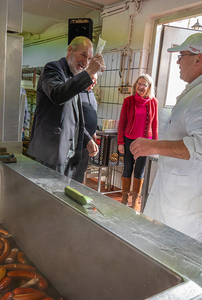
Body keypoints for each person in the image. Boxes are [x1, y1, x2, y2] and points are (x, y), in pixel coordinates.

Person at [130, 32, 202, 249]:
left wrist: (152, 145)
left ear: (198, 59)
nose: (177, 62)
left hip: (194, 215)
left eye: (181, 56)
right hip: (188, 205)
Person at [27, 36, 105, 178]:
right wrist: (89, 72)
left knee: (60, 196)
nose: (86, 62)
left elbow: (75, 117)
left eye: (89, 59)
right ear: (70, 50)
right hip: (49, 152)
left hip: (67, 153)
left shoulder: (73, 76)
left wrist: (87, 139)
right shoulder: (53, 69)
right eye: (83, 55)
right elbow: (58, 95)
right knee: (47, 196)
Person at [117, 74, 158, 210]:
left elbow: (155, 125)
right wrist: (121, 142)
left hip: (145, 143)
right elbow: (122, 123)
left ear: (149, 87)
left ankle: (134, 201)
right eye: (139, 84)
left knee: (139, 171)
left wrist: (155, 146)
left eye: (144, 85)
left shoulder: (153, 102)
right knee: (127, 168)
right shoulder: (128, 101)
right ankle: (124, 198)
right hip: (129, 140)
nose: (140, 87)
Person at [72, 73, 98, 183]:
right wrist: (88, 138)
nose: (94, 82)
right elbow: (75, 120)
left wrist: (94, 132)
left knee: (80, 172)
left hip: (87, 143)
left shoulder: (91, 94)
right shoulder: (76, 93)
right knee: (71, 172)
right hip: (76, 140)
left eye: (96, 80)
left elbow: (93, 114)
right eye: (92, 79)